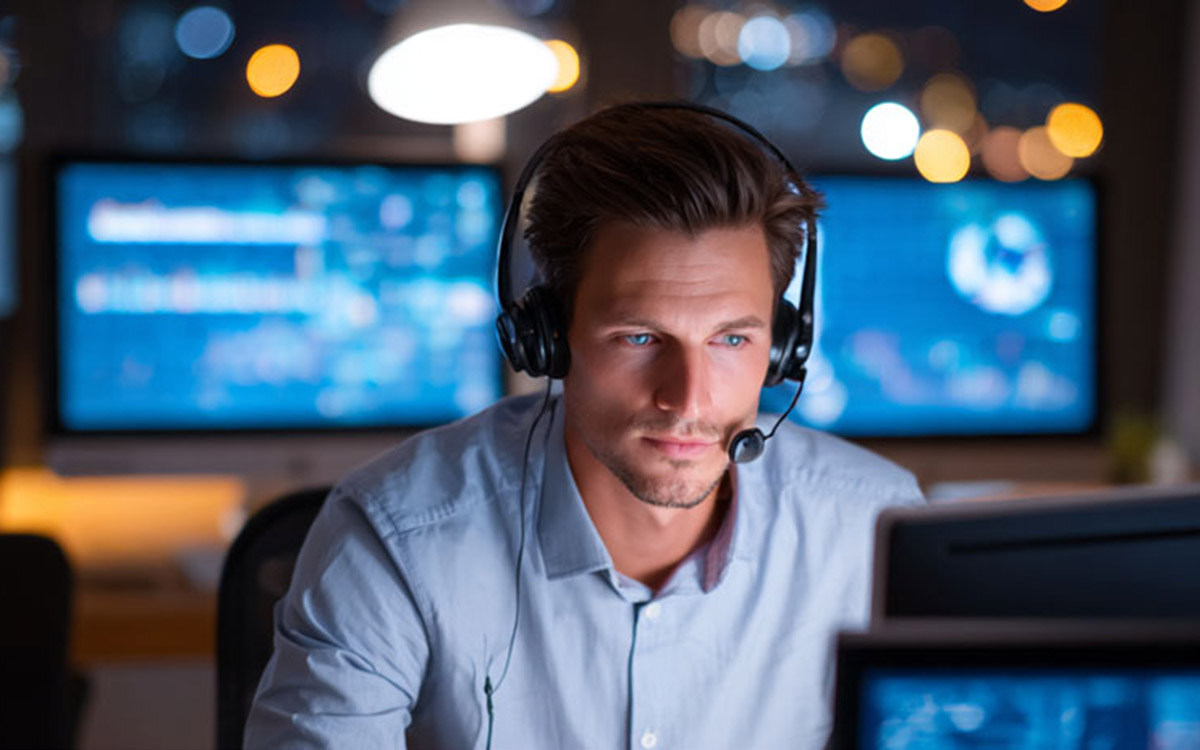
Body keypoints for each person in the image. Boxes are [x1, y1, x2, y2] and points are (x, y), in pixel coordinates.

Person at [245, 102, 924, 749]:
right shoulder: (396, 539)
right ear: (548, 339)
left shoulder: (875, 531)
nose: (687, 398)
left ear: (783, 348)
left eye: (732, 341)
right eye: (638, 338)